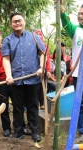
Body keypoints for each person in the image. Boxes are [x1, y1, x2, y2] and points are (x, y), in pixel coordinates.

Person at [1, 12, 45, 142]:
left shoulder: (34, 37)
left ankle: (35, 132)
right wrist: (8, 75)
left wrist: (41, 67)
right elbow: (6, 59)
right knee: (17, 107)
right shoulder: (8, 40)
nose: (17, 23)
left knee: (33, 106)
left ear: (24, 22)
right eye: (14, 21)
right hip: (16, 80)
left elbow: (43, 53)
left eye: (19, 20)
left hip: (33, 79)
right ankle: (18, 131)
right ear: (11, 24)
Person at [53, 1, 83, 141]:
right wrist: (61, 8)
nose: (80, 16)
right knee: (80, 103)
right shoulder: (75, 30)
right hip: (79, 75)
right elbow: (65, 21)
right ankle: (81, 131)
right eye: (79, 14)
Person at [35, 29, 51, 109]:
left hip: (43, 69)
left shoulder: (45, 46)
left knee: (43, 87)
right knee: (35, 87)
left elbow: (47, 59)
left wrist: (48, 70)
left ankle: (42, 104)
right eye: (37, 34)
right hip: (34, 70)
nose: (38, 36)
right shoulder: (32, 44)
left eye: (40, 34)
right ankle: (35, 103)